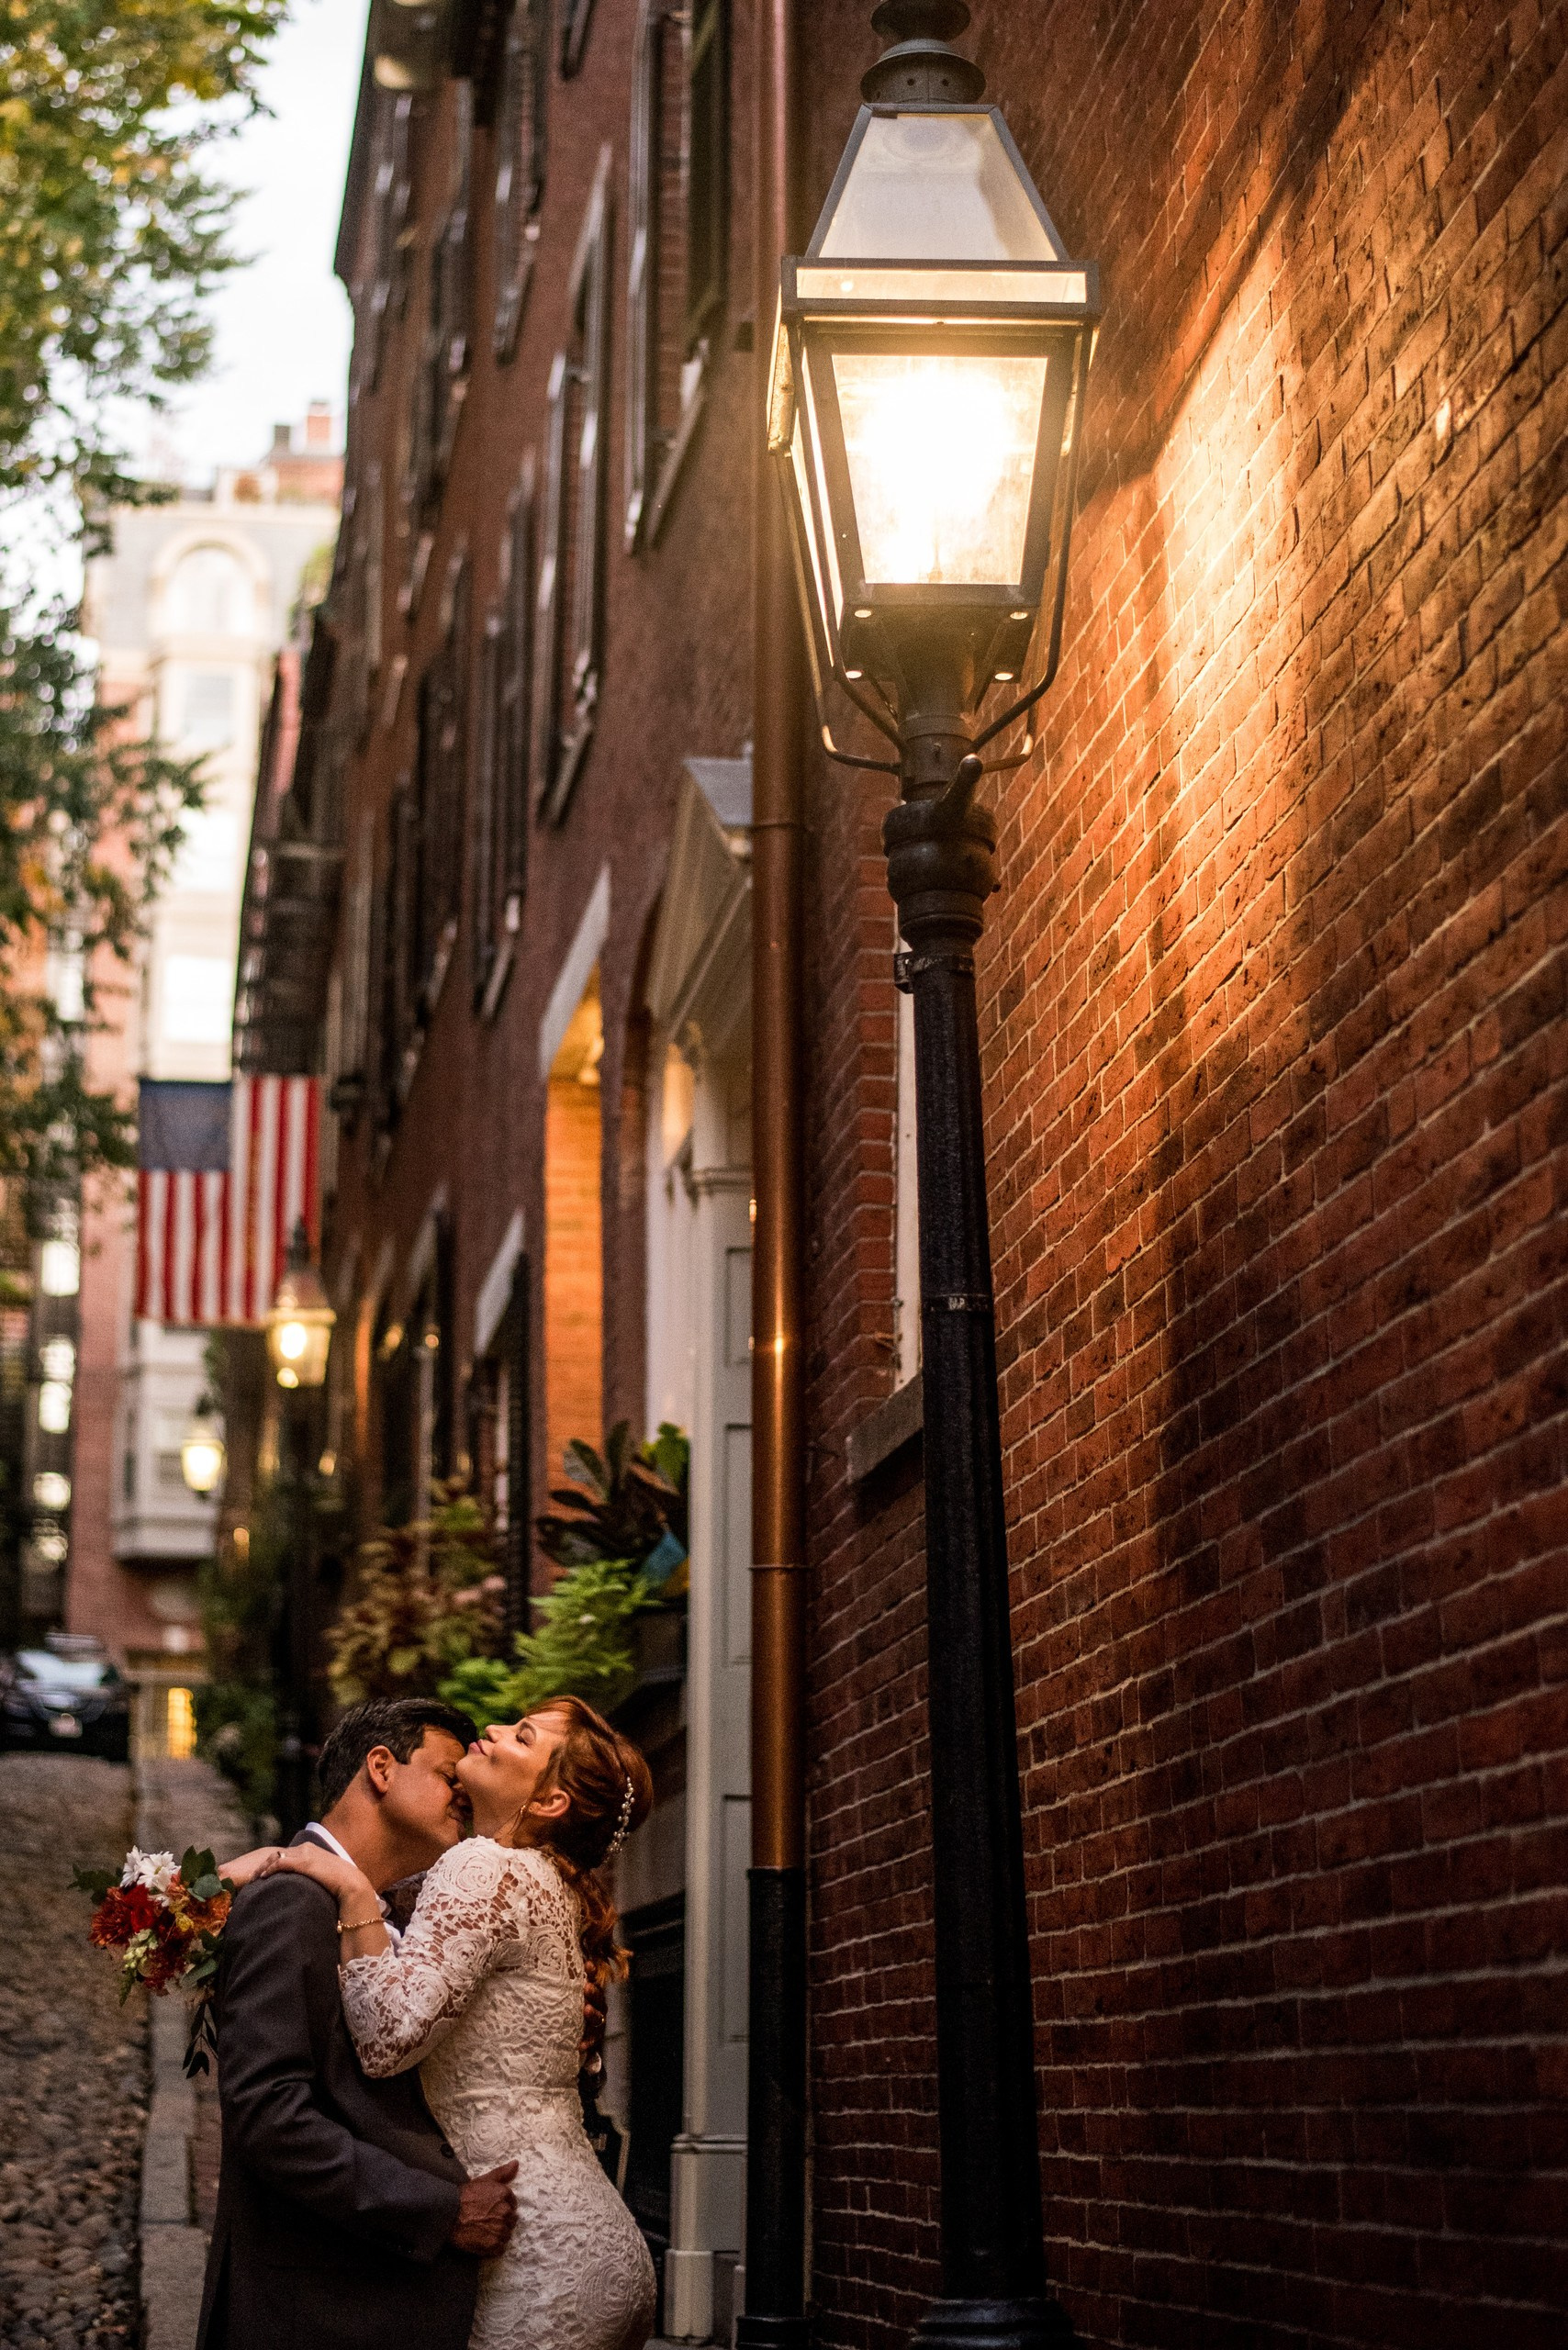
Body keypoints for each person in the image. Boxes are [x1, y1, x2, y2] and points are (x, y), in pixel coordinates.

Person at [257, 1697, 656, 2350]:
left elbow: (386, 2041)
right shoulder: (548, 1882)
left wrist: (351, 1891)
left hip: (530, 2258)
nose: (492, 1730)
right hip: (594, 2242)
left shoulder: (482, 1867)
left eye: (520, 1736)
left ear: (551, 1800)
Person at [196, 1697, 521, 2350]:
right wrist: (440, 2209)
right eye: (447, 1776)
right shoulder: (290, 1901)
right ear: (381, 1767)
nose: (463, 1795)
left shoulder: (383, 1909)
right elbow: (268, 2115)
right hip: (314, 2310)